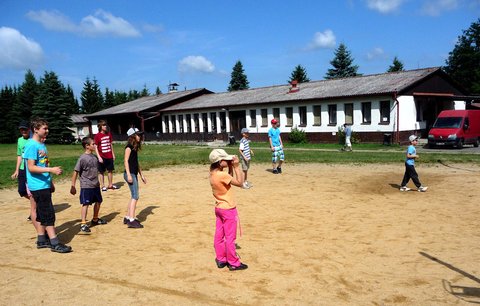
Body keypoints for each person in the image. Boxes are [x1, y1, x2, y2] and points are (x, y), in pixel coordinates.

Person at [24, 118, 72, 253]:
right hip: (38, 186)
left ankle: (41, 240)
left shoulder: (41, 145)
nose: (47, 131)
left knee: (41, 213)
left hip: (44, 184)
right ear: (35, 129)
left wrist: (50, 182)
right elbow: (31, 167)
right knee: (48, 214)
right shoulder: (32, 145)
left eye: (47, 128)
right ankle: (55, 242)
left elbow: (43, 164)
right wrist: (51, 170)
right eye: (44, 128)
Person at [209, 148, 248, 271]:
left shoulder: (213, 173)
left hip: (219, 208)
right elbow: (241, 183)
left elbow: (228, 179)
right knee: (230, 237)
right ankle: (233, 262)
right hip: (228, 209)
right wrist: (236, 166)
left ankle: (221, 259)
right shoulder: (222, 175)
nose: (228, 160)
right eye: (225, 159)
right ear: (220, 162)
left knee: (219, 235)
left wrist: (229, 166)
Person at [70, 137, 107, 233]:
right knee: (85, 203)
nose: (95, 145)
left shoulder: (94, 157)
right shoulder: (82, 158)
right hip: (86, 185)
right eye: (93, 144)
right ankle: (83, 223)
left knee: (99, 201)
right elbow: (75, 172)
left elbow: (99, 171)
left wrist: (102, 184)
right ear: (87, 146)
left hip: (95, 185)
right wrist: (73, 186)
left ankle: (95, 219)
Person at [11, 121, 35, 221]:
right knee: (21, 191)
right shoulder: (20, 140)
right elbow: (19, 155)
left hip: (30, 167)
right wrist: (16, 170)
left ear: (29, 129)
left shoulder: (33, 140)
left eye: (25, 129)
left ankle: (34, 210)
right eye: (21, 129)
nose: (23, 131)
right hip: (22, 168)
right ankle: (37, 202)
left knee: (32, 190)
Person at [123, 127, 147, 228]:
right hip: (130, 174)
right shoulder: (128, 147)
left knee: (133, 195)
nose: (140, 137)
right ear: (132, 136)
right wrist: (128, 174)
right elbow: (125, 161)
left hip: (134, 173)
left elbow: (136, 163)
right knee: (135, 196)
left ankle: (128, 217)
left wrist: (141, 175)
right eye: (138, 135)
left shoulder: (134, 147)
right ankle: (131, 220)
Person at [94, 120, 117, 192]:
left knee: (110, 170)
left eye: (106, 125)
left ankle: (110, 184)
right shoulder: (97, 136)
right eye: (104, 125)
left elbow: (110, 144)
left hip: (109, 155)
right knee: (101, 171)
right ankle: (103, 186)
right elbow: (96, 147)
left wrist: (113, 154)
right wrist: (99, 157)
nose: (105, 126)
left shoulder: (109, 134)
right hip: (102, 156)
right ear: (100, 127)